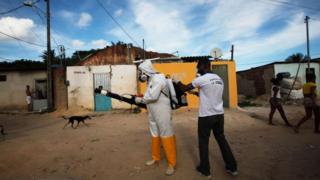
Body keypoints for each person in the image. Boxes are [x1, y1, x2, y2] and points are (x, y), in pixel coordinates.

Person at [174, 59, 237, 178]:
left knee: (203, 142)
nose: (198, 70)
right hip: (219, 115)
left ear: (204, 66)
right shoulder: (219, 79)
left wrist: (176, 80)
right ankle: (232, 167)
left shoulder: (202, 79)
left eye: (198, 67)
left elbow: (183, 88)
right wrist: (197, 93)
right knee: (222, 140)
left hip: (206, 116)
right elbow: (210, 93)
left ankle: (205, 169)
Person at [134, 60, 177, 176]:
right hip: (152, 110)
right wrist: (143, 97)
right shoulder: (150, 80)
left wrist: (140, 99)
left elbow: (152, 96)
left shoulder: (159, 78)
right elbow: (150, 95)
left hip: (162, 110)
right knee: (154, 133)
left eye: (140, 72)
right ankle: (156, 157)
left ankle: (172, 163)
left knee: (166, 133)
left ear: (145, 71)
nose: (140, 75)